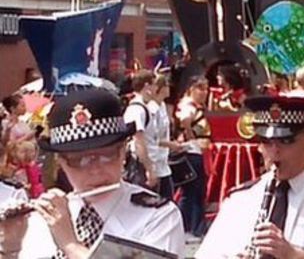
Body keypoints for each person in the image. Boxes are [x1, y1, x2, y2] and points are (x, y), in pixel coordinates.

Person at [0, 88, 184, 258]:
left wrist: (70, 245)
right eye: (79, 160)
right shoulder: (43, 219)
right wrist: (11, 250)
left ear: (122, 153)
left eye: (106, 156)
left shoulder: (158, 216)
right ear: (62, 163)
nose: (95, 170)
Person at [195, 95, 304, 259]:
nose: (275, 152)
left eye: (286, 141)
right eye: (266, 142)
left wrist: (293, 254)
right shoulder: (240, 200)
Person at [175, 76, 211, 238]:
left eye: (206, 88)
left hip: (196, 152)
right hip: (191, 152)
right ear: (191, 89)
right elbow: (184, 120)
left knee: (196, 192)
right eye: (200, 88)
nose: (204, 92)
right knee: (192, 193)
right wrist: (191, 137)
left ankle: (195, 227)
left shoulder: (196, 106)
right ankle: (188, 227)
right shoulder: (188, 105)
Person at [123, 69, 158, 188]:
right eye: (154, 85)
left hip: (147, 163)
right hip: (139, 166)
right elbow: (139, 141)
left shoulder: (144, 107)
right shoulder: (137, 110)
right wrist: (149, 169)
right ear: (147, 86)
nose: (156, 89)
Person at [150, 74, 182, 200]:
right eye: (166, 85)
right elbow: (152, 137)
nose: (169, 88)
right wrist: (171, 144)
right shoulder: (152, 108)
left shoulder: (162, 105)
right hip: (155, 161)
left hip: (164, 161)